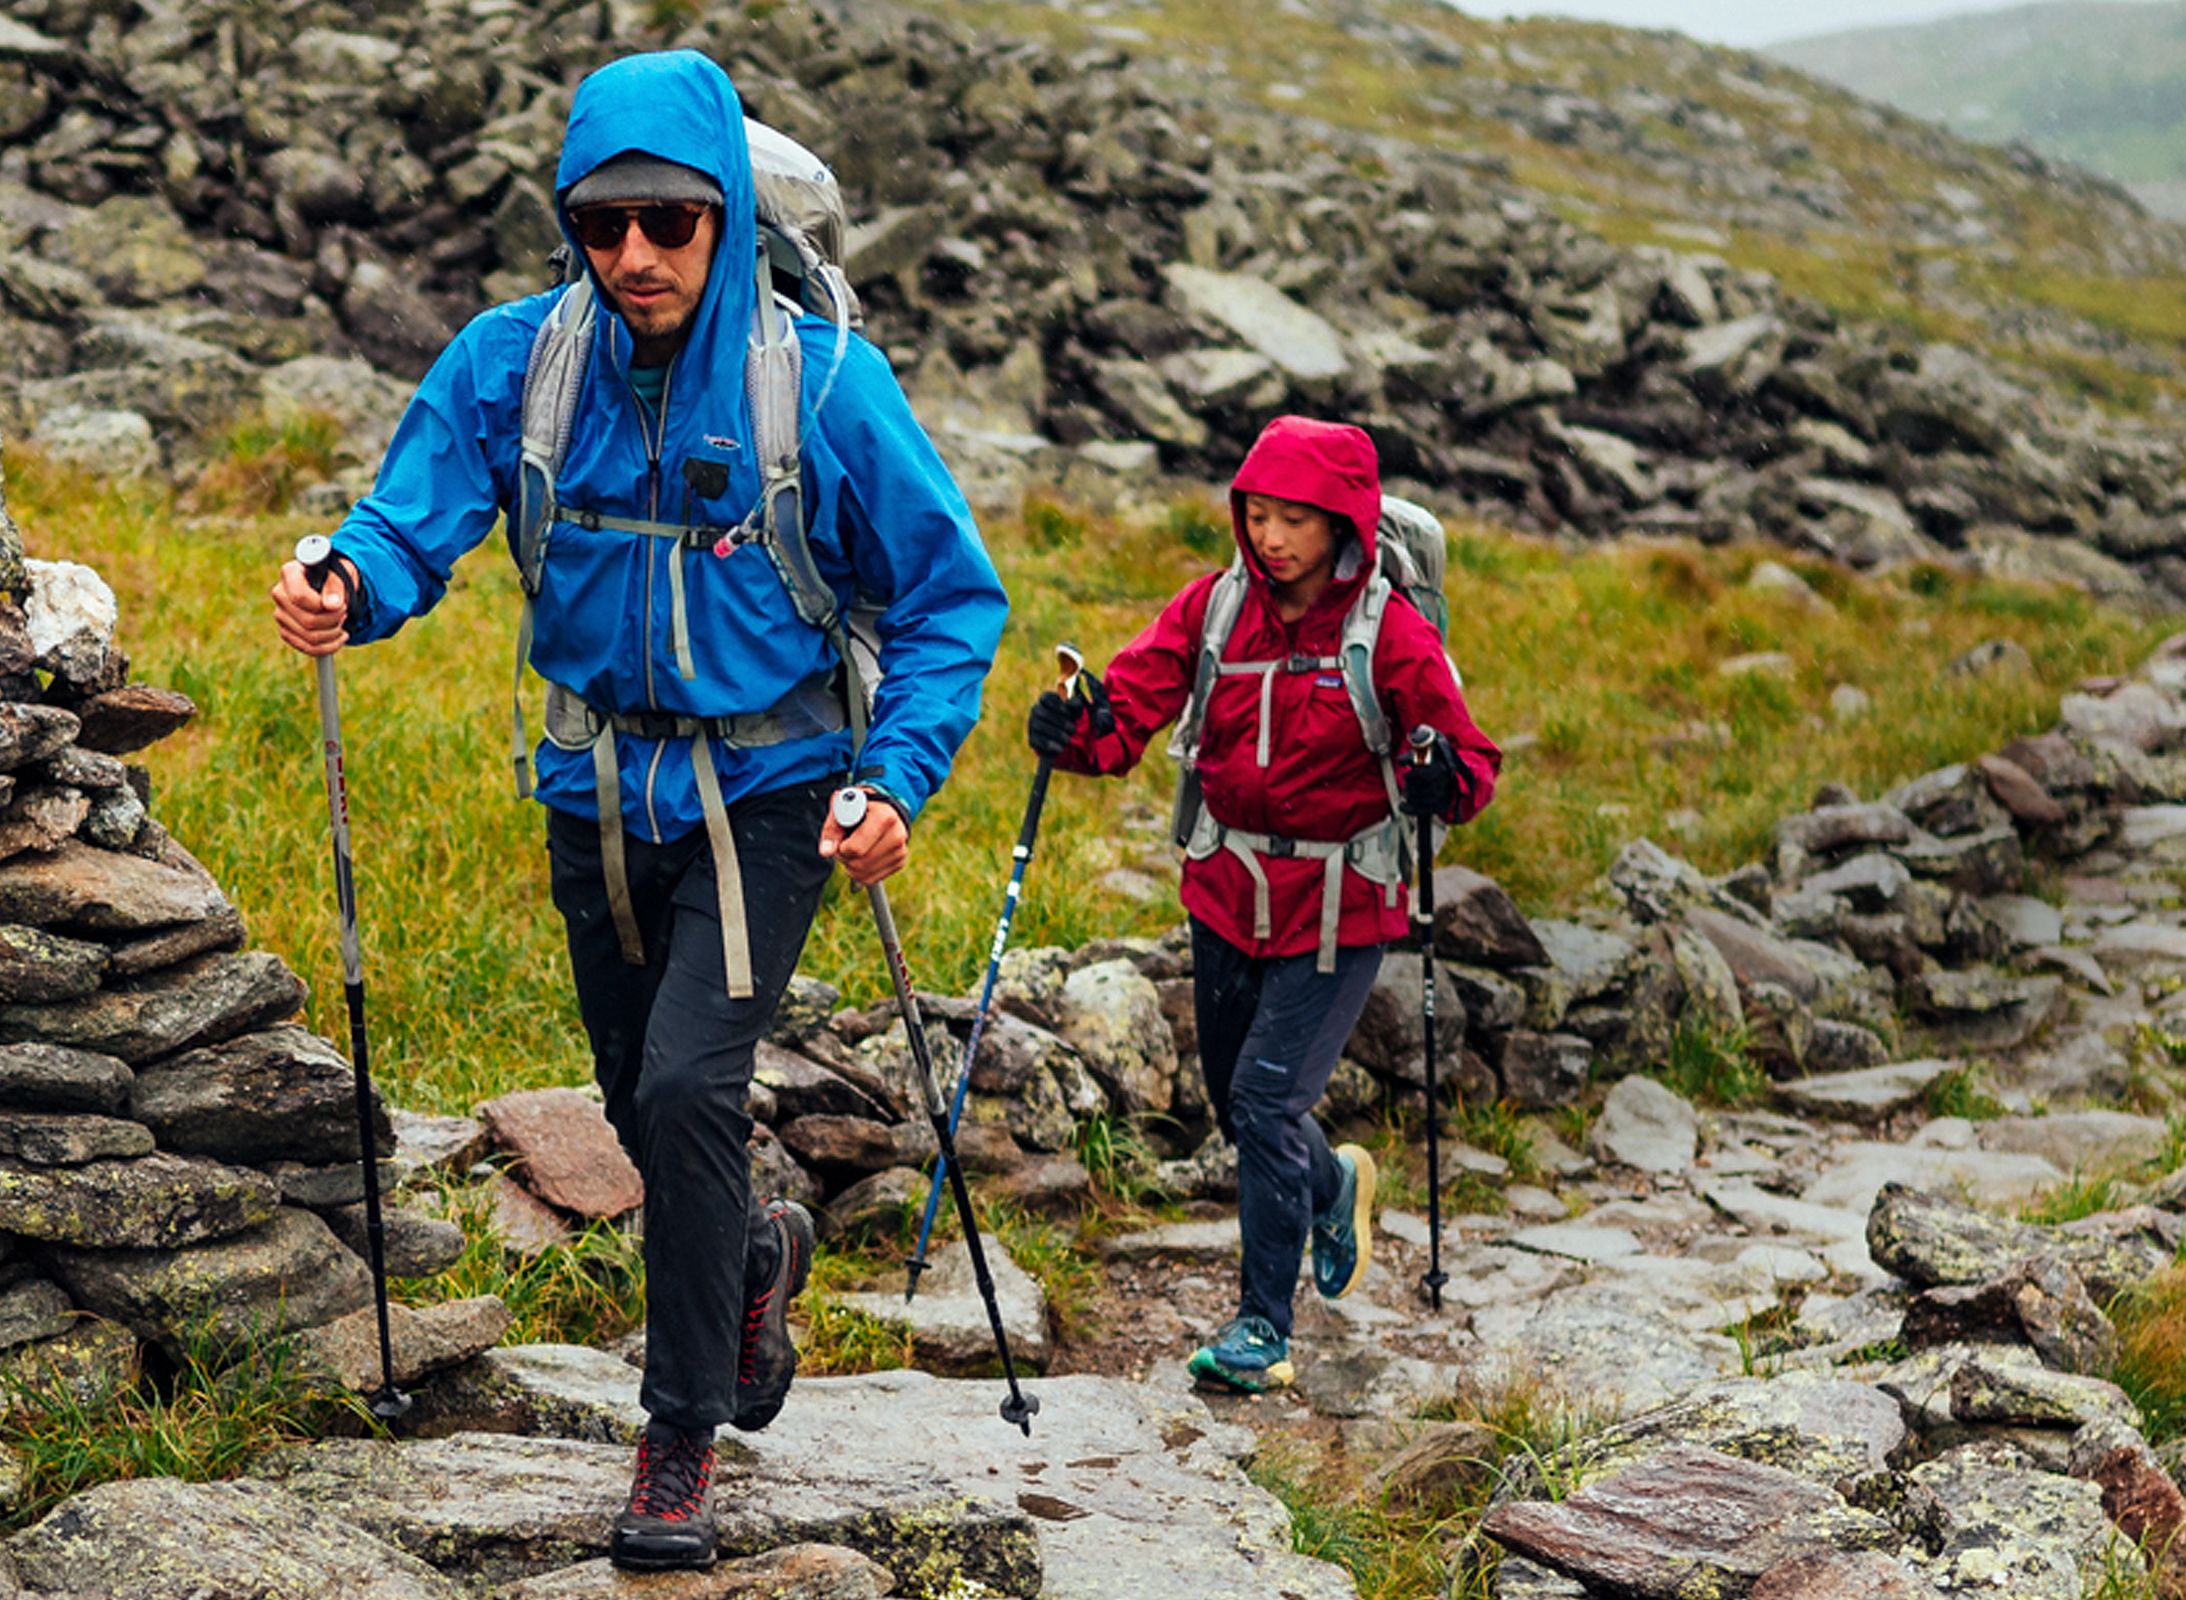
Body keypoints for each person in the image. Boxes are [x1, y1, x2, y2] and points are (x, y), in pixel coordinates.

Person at [267, 50, 1006, 1572]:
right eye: (603, 227)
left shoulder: (824, 386)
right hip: (595, 789)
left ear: (727, 218)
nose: (635, 258)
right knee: (639, 1097)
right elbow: (416, 512)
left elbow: (950, 601)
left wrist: (899, 777)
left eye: (670, 223)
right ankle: (746, 1257)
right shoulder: (512, 359)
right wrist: (351, 578)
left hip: (777, 790)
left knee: (682, 1090)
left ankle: (678, 1439)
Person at [1030, 415, 1498, 1394]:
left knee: (1262, 1098)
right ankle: (1334, 1185)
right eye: (1258, 513)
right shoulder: (1212, 610)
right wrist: (1071, 729)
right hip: (1225, 891)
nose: (1274, 536)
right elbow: (1124, 719)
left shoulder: (1389, 634)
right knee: (1244, 1110)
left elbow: (1469, 764)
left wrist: (1439, 778)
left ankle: (1261, 1326)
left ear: (1346, 524)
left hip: (1341, 907)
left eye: (1298, 518)